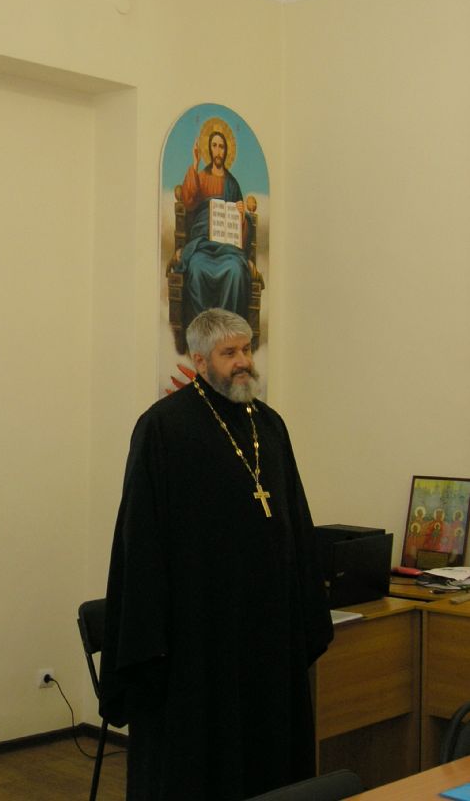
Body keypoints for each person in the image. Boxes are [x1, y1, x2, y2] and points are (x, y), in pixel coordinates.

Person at [99, 308, 333, 801]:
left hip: (268, 631)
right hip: (199, 637)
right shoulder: (162, 428)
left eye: (246, 349)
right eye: (230, 353)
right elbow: (141, 538)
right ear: (200, 360)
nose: (243, 361)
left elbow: (295, 516)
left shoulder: (269, 425)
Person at [173, 129, 252, 329]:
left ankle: (227, 331)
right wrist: (195, 163)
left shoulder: (232, 185)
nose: (218, 151)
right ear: (210, 149)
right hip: (202, 244)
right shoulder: (201, 176)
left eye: (222, 147)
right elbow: (188, 200)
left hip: (228, 249)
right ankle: (204, 332)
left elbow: (242, 233)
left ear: (226, 151)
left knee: (236, 271)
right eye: (215, 146)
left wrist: (242, 216)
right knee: (196, 268)